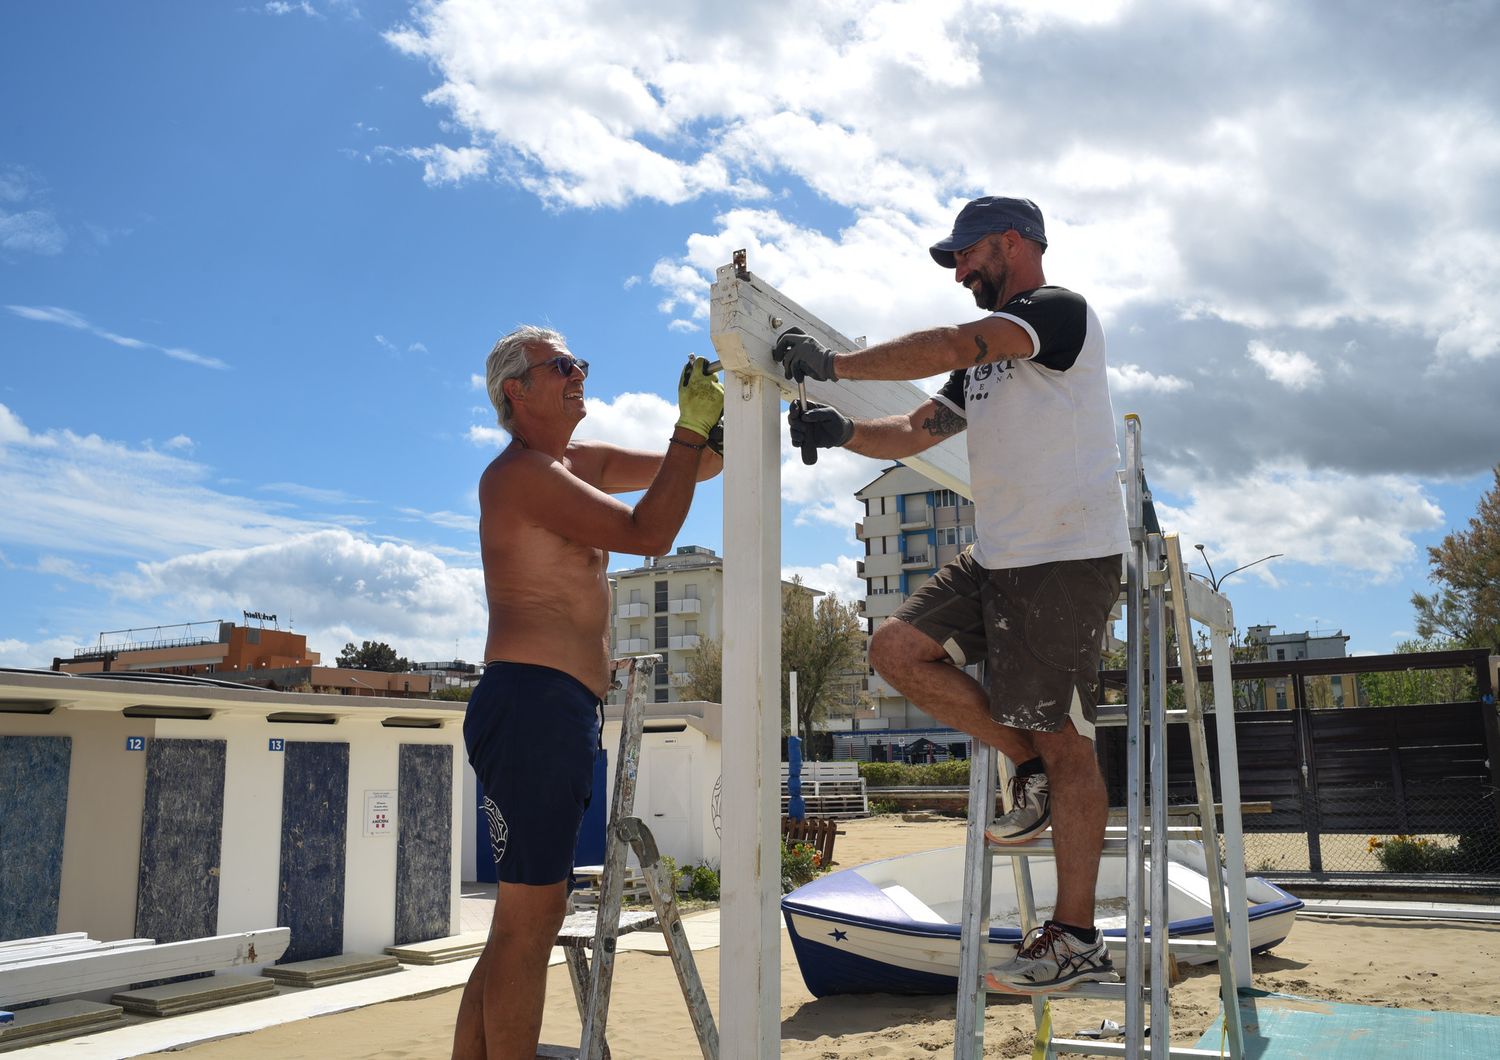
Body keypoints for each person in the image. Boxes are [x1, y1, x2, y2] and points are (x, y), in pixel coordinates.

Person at [773, 197, 1127, 994]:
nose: (960, 272)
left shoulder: (1055, 315)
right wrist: (841, 432)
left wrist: (830, 362)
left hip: (1067, 557)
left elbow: (951, 340)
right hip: (998, 557)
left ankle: (1075, 937)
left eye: (966, 257)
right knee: (896, 648)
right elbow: (915, 429)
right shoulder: (984, 367)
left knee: (1070, 740)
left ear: (1013, 242)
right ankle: (1023, 762)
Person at [454, 325, 723, 1059]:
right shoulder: (517, 474)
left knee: (522, 924)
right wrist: (691, 428)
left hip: (557, 709)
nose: (580, 374)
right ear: (518, 389)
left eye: (580, 363)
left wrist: (718, 418)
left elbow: (695, 467)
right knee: (526, 925)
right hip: (532, 704)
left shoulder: (577, 463)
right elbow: (651, 530)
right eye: (562, 365)